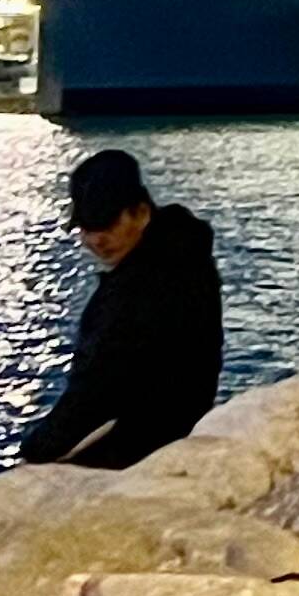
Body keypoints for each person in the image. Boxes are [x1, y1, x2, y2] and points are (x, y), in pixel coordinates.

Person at [17, 149, 223, 469]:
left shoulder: (138, 292)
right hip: (179, 430)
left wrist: (37, 450)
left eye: (107, 223)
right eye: (86, 227)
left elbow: (96, 391)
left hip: (133, 448)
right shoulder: (187, 253)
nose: (97, 239)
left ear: (140, 213)